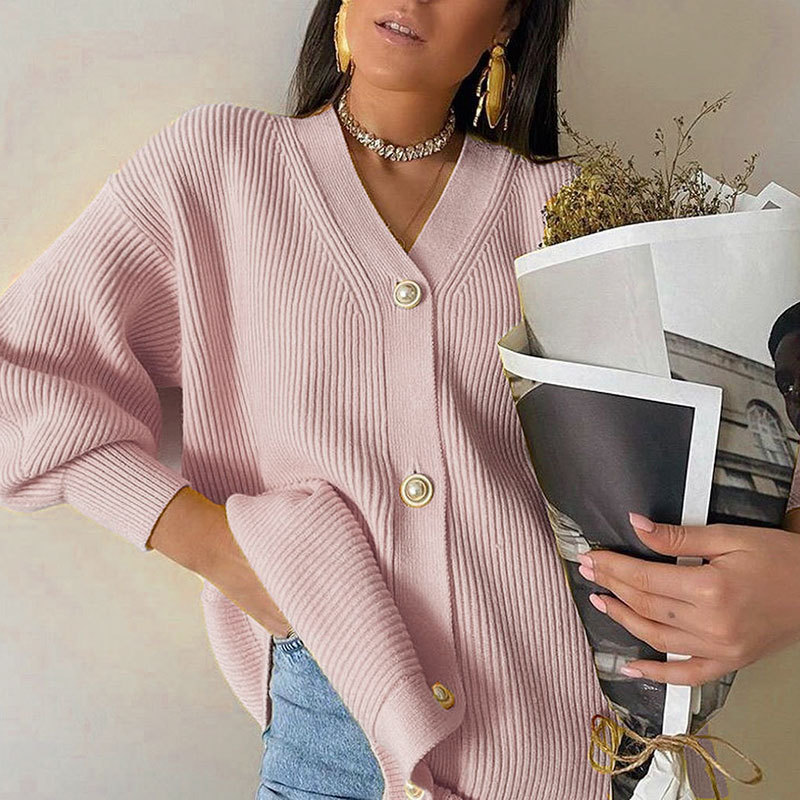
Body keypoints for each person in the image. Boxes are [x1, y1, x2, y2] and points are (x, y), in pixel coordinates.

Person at [4, 1, 797, 799]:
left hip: (567, 751)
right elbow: (20, 374)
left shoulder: (572, 212)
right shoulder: (220, 171)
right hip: (338, 732)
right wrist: (222, 550)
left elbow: (741, 429)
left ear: (508, 21)